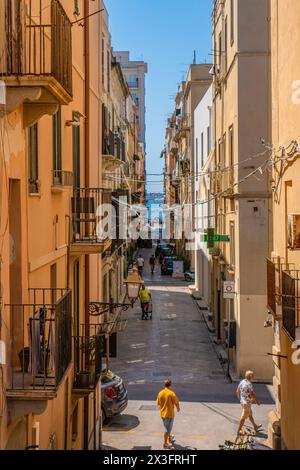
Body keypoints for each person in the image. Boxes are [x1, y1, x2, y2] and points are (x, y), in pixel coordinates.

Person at [236, 370, 262, 435]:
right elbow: (252, 394)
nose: (254, 376)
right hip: (246, 403)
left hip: (243, 402)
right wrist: (257, 402)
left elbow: (237, 391)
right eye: (253, 375)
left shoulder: (242, 381)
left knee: (250, 414)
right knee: (243, 417)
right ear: (250, 376)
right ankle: (238, 430)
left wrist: (241, 399)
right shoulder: (249, 384)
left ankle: (255, 426)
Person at [157, 380, 180, 450]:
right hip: (169, 414)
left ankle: (170, 438)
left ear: (164, 385)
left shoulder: (160, 393)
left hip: (162, 414)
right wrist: (178, 408)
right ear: (170, 385)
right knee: (167, 429)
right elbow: (176, 402)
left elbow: (158, 403)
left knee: (167, 427)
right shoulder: (171, 393)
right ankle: (165, 444)